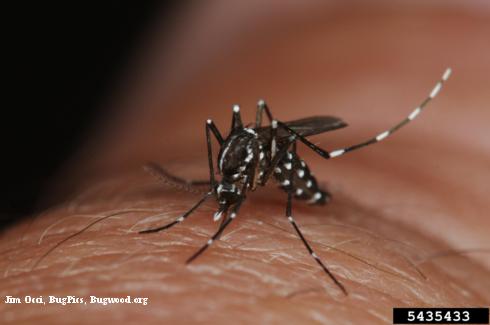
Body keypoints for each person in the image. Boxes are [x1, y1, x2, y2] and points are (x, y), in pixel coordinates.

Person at [1, 2, 489, 323]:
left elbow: (254, 145)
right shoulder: (229, 169)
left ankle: (318, 182)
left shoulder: (252, 163)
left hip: (286, 161)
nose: (224, 198)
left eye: (222, 196)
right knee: (235, 122)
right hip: (253, 151)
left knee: (257, 124)